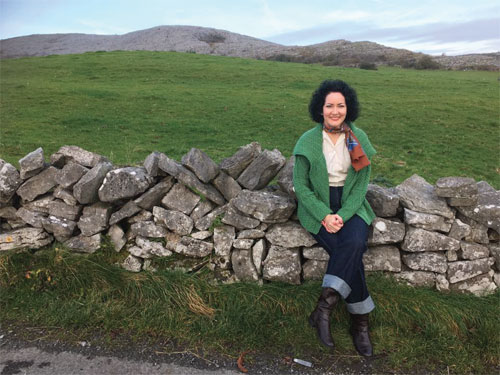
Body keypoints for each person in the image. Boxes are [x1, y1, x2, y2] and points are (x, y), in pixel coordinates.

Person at [292, 79, 376, 357]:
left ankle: (322, 310)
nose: (335, 111)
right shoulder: (308, 141)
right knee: (348, 252)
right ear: (320, 109)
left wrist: (342, 214)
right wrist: (324, 215)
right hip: (318, 206)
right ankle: (360, 323)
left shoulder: (358, 138)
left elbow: (362, 184)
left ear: (347, 108)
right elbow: (301, 187)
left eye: (341, 105)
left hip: (351, 206)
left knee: (351, 245)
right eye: (330, 105)